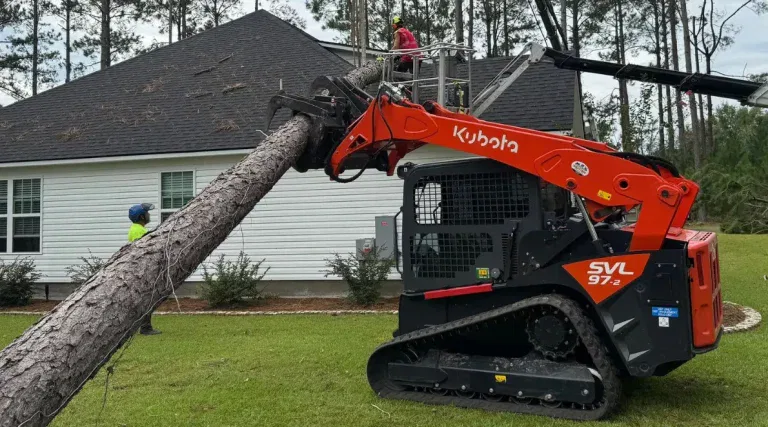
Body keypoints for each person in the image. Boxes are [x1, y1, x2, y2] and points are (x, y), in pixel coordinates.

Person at [128, 202, 162, 335]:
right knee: (147, 297)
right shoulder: (137, 230)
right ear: (142, 217)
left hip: (142, 269)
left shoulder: (137, 228)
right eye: (147, 213)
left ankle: (146, 326)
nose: (149, 215)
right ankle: (145, 327)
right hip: (142, 270)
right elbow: (140, 249)